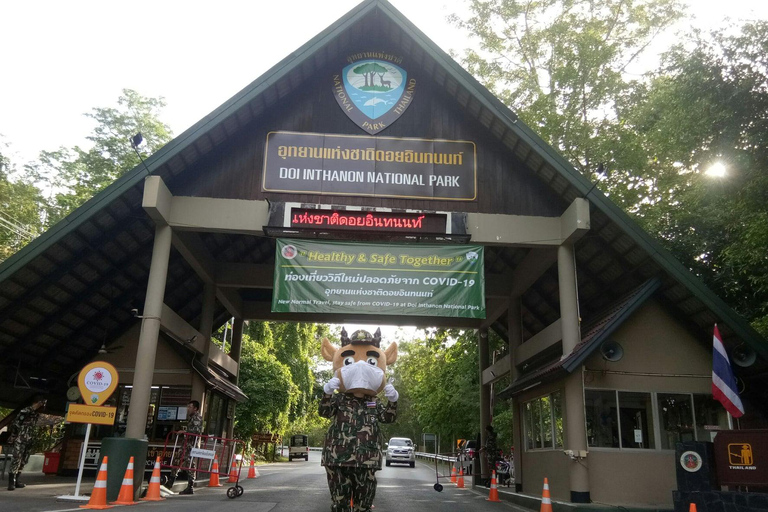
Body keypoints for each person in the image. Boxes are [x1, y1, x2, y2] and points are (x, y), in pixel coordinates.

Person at [319, 328, 399, 512]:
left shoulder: (373, 402)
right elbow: (324, 412)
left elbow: (388, 418)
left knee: (364, 506)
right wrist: (327, 393)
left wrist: (393, 402)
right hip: (337, 459)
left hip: (367, 460)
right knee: (340, 505)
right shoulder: (338, 400)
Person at [7, 396, 46, 491]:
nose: (42, 406)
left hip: (29, 440)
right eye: (41, 403)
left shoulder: (36, 414)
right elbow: (16, 424)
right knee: (17, 458)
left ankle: (17, 480)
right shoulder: (25, 411)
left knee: (24, 460)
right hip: (20, 438)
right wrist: (13, 436)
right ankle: (11, 482)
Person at [168, 400, 204, 495]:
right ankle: (170, 482)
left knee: (190, 464)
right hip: (186, 444)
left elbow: (196, 431)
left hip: (191, 445)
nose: (188, 409)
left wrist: (184, 432)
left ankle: (190, 486)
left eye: (190, 407)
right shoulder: (192, 418)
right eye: (188, 407)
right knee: (177, 460)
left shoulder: (197, 418)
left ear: (195, 408)